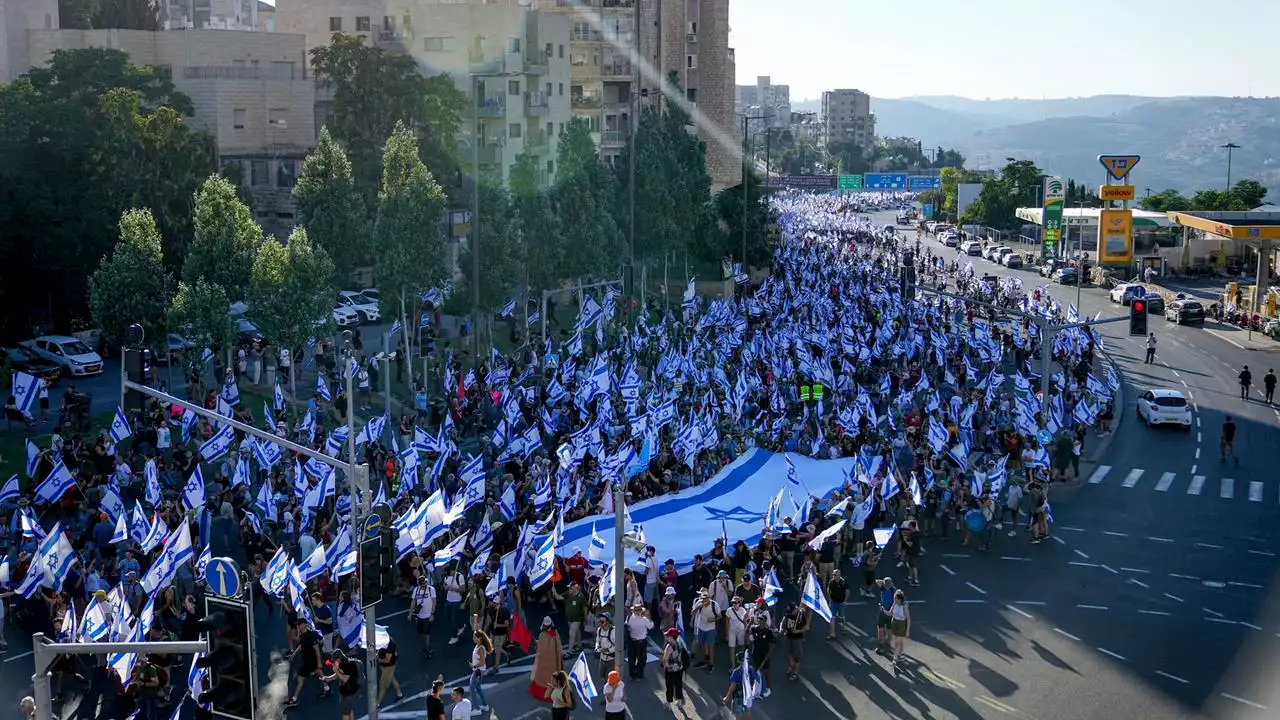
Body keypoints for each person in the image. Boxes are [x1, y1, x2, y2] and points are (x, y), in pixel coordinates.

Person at [285, 618, 327, 706]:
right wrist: (293, 655)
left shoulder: (311, 636)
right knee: (319, 672)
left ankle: (294, 699)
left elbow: (317, 649)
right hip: (309, 661)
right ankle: (327, 688)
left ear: (304, 625)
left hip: (310, 662)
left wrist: (319, 662)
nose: (297, 626)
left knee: (300, 679)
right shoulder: (303, 635)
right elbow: (301, 646)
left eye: (299, 625)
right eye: (297, 625)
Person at [528, 617, 564, 702]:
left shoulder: (542, 635)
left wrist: (535, 642)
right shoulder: (555, 634)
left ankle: (544, 693)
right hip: (554, 662)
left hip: (543, 663)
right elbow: (559, 649)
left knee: (543, 678)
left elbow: (540, 649)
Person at [723, 651, 763, 720]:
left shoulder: (736, 672)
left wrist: (728, 697)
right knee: (747, 716)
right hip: (748, 698)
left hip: (738, 698)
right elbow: (755, 683)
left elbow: (733, 686)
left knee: (738, 717)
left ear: (738, 661)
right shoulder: (751, 670)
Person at [325, 648, 361, 720]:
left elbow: (345, 679)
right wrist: (328, 678)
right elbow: (338, 674)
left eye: (335, 660)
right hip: (344, 691)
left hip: (351, 692)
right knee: (349, 710)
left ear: (339, 658)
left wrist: (336, 671)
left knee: (345, 713)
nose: (334, 662)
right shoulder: (341, 664)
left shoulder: (350, 664)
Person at [691, 589, 720, 672]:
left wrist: (713, 619)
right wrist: (699, 607)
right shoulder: (699, 603)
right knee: (700, 644)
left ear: (709, 598)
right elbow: (692, 613)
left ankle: (711, 663)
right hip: (701, 627)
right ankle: (704, 660)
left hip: (710, 628)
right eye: (703, 598)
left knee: (711, 645)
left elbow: (720, 616)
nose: (704, 600)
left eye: (706, 598)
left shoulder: (715, 605)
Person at [780, 602, 810, 681]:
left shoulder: (801, 615)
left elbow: (806, 628)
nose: (790, 613)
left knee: (797, 656)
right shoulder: (788, 614)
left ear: (795, 610)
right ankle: (791, 664)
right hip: (788, 636)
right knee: (786, 653)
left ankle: (795, 673)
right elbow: (783, 620)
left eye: (791, 612)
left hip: (797, 638)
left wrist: (797, 631)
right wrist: (781, 628)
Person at [624, 604, 653, 679]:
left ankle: (632, 674)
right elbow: (651, 626)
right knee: (642, 659)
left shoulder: (629, 618)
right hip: (641, 642)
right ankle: (639, 674)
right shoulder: (644, 620)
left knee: (631, 659)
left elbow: (627, 626)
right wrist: (648, 617)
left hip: (631, 641)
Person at [412, 574, 438, 658]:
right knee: (421, 633)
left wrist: (432, 614)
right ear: (419, 584)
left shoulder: (431, 589)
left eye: (425, 583)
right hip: (419, 616)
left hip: (427, 615)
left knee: (426, 633)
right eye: (423, 584)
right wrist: (410, 614)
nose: (425, 585)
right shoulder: (416, 590)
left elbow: (434, 602)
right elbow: (413, 601)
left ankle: (428, 649)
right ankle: (425, 647)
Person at [660, 627, 688, 706]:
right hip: (679, 668)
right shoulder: (679, 643)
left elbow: (665, 659)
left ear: (671, 637)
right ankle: (679, 701)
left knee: (669, 686)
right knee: (678, 684)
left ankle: (668, 703)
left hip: (670, 670)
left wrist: (664, 667)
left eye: (668, 636)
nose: (666, 637)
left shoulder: (669, 647)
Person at [467, 631, 492, 714]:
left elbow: (482, 662)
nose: (473, 639)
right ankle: (485, 706)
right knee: (478, 687)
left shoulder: (480, 648)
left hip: (478, 671)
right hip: (480, 671)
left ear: (480, 638)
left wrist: (474, 666)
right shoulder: (479, 646)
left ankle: (476, 709)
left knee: (471, 689)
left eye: (475, 637)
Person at [888, 589, 912, 669]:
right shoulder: (895, 603)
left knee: (897, 642)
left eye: (895, 599)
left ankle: (895, 659)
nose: (894, 600)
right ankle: (900, 654)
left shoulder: (904, 606)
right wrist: (884, 611)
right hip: (894, 622)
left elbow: (908, 619)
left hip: (901, 624)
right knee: (899, 640)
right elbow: (890, 613)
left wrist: (907, 630)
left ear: (899, 599)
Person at [376, 634, 403, 705]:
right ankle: (400, 695)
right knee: (392, 679)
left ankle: (377, 704)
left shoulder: (390, 645)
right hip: (385, 665)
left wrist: (378, 660)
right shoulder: (386, 642)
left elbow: (387, 660)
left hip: (388, 666)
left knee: (383, 685)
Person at [825, 570, 848, 639]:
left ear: (839, 575)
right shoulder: (831, 582)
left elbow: (847, 591)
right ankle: (832, 634)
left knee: (842, 616)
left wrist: (845, 600)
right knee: (832, 617)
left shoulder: (843, 582)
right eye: (833, 575)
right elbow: (828, 590)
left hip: (841, 602)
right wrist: (829, 599)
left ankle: (844, 627)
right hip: (833, 602)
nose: (833, 576)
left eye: (835, 575)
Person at [594, 614, 617, 678]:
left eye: (602, 622)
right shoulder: (599, 630)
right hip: (602, 658)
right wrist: (597, 648)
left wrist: (607, 650)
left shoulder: (613, 631)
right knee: (602, 677)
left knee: (609, 679)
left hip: (611, 660)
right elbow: (597, 641)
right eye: (599, 622)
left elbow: (618, 646)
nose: (600, 624)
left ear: (608, 621)